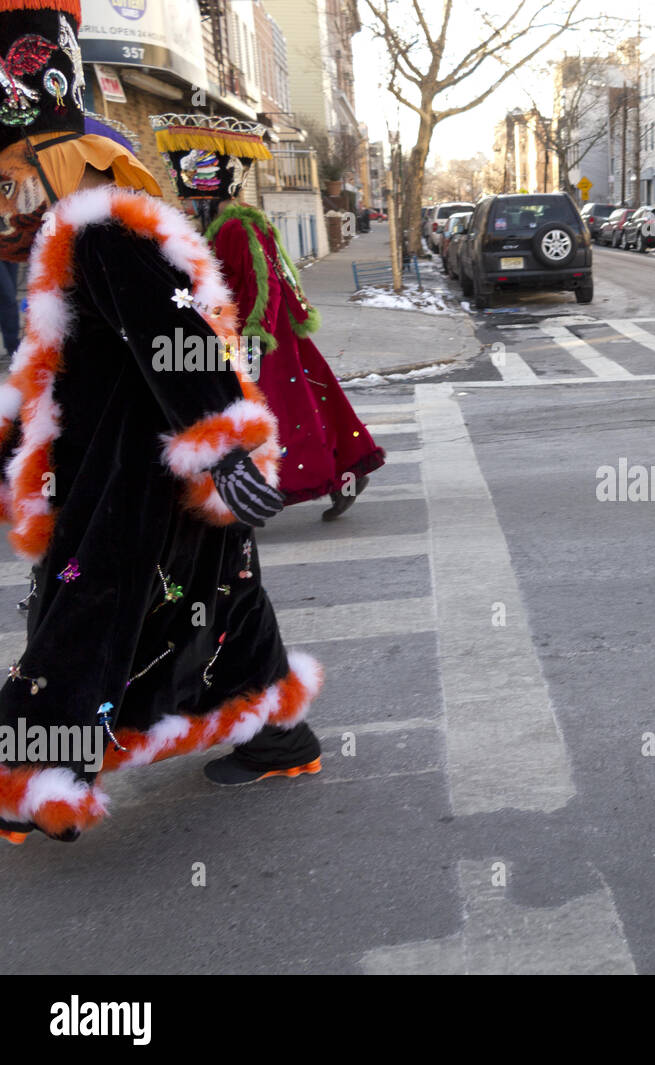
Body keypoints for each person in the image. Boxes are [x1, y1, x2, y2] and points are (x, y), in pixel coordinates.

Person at [0, 1, 323, 844]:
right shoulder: (72, 231)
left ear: (47, 162)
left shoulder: (101, 227)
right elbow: (58, 365)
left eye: (7, 179)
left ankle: (31, 781)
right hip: (137, 461)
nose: (1, 200)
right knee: (223, 600)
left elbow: (175, 337)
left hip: (135, 475)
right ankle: (277, 729)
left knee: (82, 622)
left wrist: (222, 444)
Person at [151, 113, 385, 519]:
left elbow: (266, 284)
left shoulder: (237, 227)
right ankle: (346, 469)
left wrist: (255, 337)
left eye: (191, 196)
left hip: (264, 341)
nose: (187, 203)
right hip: (254, 338)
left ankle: (273, 490)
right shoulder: (226, 227)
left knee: (283, 417)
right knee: (314, 404)